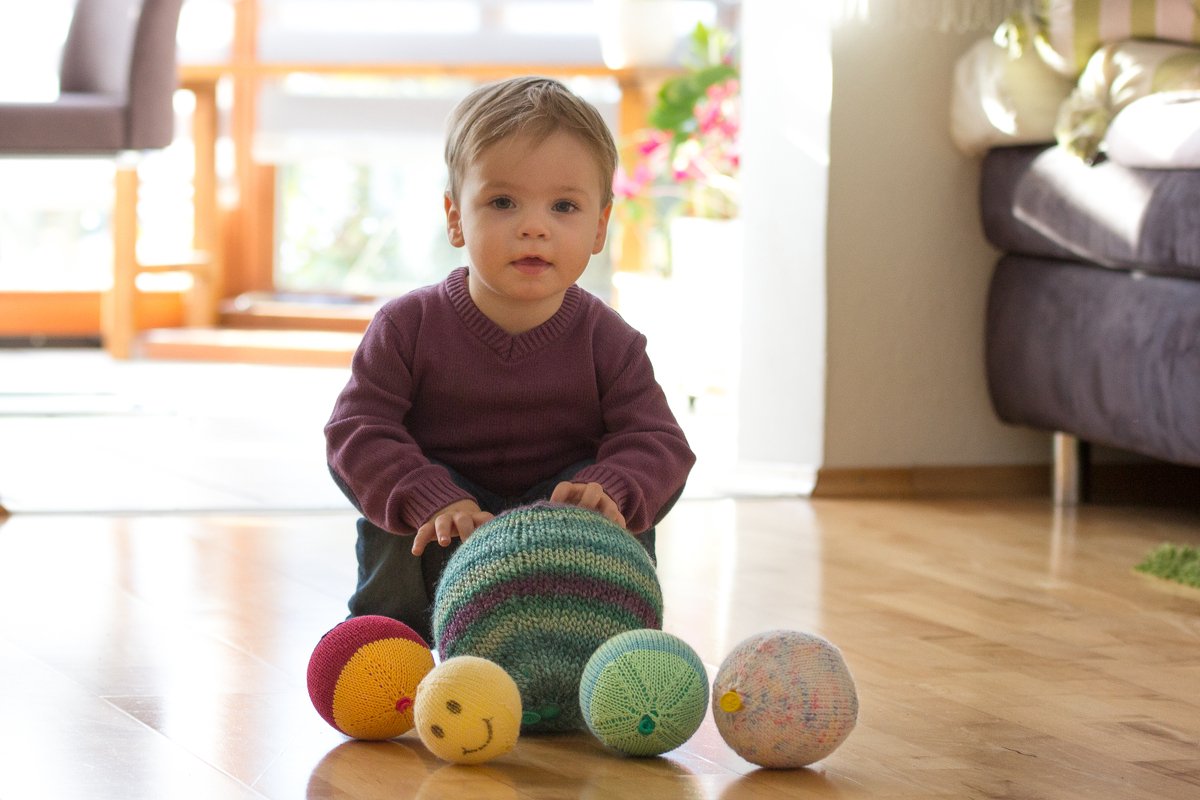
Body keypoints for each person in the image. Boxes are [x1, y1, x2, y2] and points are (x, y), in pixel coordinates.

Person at [324, 76, 696, 642]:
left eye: (564, 206)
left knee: (612, 507)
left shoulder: (611, 340)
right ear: (455, 217)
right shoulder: (406, 327)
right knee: (399, 502)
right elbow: (357, 432)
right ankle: (387, 636)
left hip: (562, 533)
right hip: (448, 533)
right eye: (502, 202)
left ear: (599, 226)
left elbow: (660, 443)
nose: (533, 226)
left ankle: (614, 642)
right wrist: (429, 497)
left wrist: (611, 486)